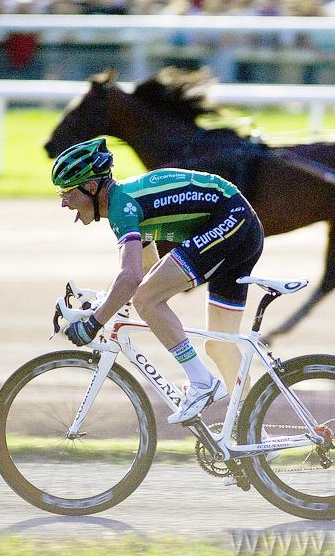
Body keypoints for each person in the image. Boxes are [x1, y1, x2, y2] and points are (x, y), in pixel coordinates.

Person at [52, 137, 264, 425]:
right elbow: (145, 271)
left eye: (66, 192)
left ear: (91, 187)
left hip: (232, 221)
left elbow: (133, 280)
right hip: (239, 225)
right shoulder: (128, 202)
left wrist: (94, 323)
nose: (63, 202)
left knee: (146, 299)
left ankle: (202, 383)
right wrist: (102, 304)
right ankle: (250, 432)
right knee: (219, 346)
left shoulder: (122, 208)